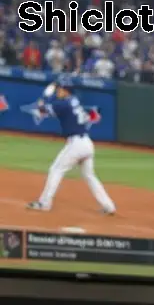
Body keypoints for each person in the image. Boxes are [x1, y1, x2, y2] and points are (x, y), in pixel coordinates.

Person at [26, 80, 116, 215]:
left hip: (76, 145)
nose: (58, 92)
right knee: (90, 176)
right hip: (87, 143)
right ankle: (109, 206)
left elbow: (42, 109)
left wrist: (44, 97)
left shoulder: (63, 103)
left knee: (56, 170)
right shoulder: (73, 100)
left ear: (65, 91)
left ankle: (44, 203)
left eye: (60, 89)